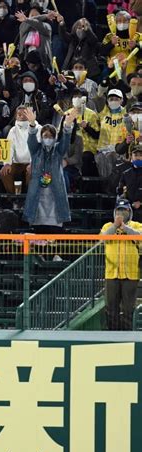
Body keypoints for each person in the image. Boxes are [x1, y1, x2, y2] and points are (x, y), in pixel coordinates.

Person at [23, 107, 78, 233]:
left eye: (51, 136)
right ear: (41, 137)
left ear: (54, 137)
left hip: (55, 196)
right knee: (38, 236)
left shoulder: (59, 150)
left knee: (54, 235)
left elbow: (65, 141)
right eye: (45, 135)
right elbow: (31, 139)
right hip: (37, 195)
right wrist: (32, 124)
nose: (48, 138)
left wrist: (68, 125)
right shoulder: (35, 149)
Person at [100, 199, 142, 330]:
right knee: (111, 307)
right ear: (114, 212)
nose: (121, 214)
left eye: (124, 211)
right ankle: (113, 335)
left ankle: (128, 335)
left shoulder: (137, 226)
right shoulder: (108, 226)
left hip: (131, 273)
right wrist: (115, 226)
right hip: (112, 273)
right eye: (119, 211)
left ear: (129, 212)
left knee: (129, 308)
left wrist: (126, 228)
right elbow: (102, 239)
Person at [0, 105, 41, 193]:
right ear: (15, 116)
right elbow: (9, 147)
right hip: (17, 163)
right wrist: (7, 163)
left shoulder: (39, 129)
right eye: (19, 114)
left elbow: (38, 149)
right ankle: (14, 199)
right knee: (4, 172)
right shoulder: (13, 130)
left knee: (32, 172)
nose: (21, 116)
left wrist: (33, 163)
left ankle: (29, 197)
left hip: (32, 162)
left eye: (24, 114)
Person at [96, 88, 127, 182]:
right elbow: (97, 99)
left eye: (116, 99)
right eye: (111, 99)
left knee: (113, 158)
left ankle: (114, 189)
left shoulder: (126, 113)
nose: (113, 101)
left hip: (120, 150)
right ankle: (106, 189)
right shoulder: (103, 113)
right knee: (102, 161)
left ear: (122, 100)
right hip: (103, 149)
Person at [59, 15, 100, 80]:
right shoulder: (72, 39)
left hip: (88, 72)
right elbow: (63, 35)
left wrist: (87, 29)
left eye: (82, 27)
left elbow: (94, 40)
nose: (80, 29)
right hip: (72, 70)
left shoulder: (90, 39)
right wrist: (61, 23)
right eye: (78, 27)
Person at [15, 5, 52, 70]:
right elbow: (26, 24)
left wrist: (28, 19)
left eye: (37, 15)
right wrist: (44, 16)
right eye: (32, 16)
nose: (34, 17)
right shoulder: (23, 26)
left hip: (42, 62)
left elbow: (37, 24)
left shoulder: (47, 26)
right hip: (26, 62)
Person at [118, 145, 142, 221]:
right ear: (131, 156)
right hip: (129, 209)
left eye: (141, 155)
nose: (138, 157)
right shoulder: (125, 174)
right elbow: (120, 191)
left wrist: (140, 203)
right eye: (135, 155)